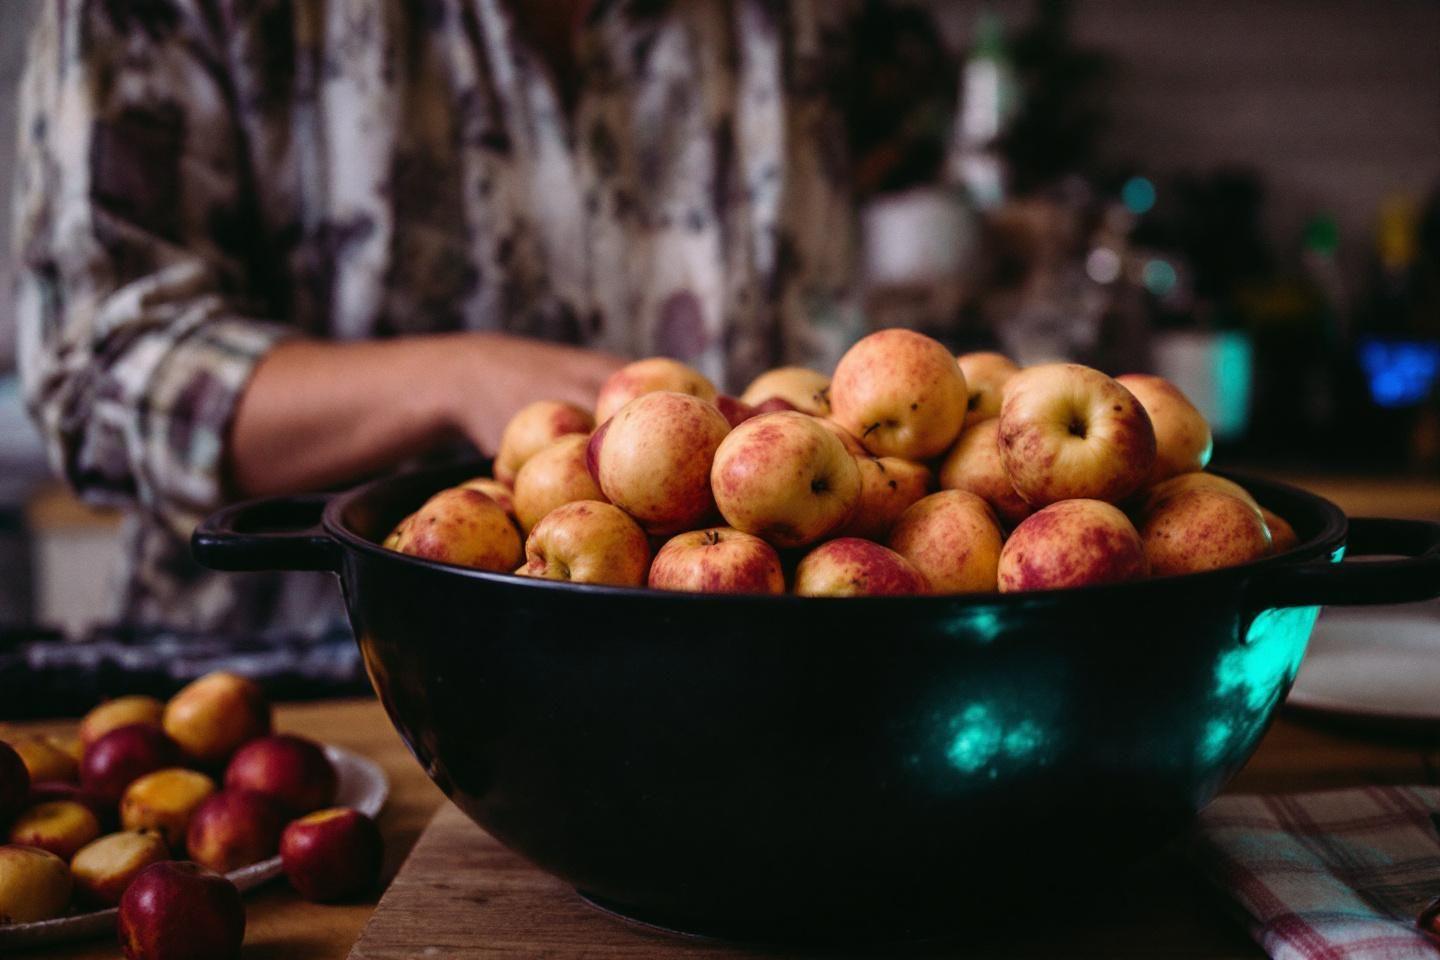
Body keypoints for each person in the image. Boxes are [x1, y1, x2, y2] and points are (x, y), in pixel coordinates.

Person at [13, 0, 951, 634]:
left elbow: (921, 139)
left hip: (766, 673)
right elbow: (95, 371)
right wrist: (454, 379)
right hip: (314, 692)